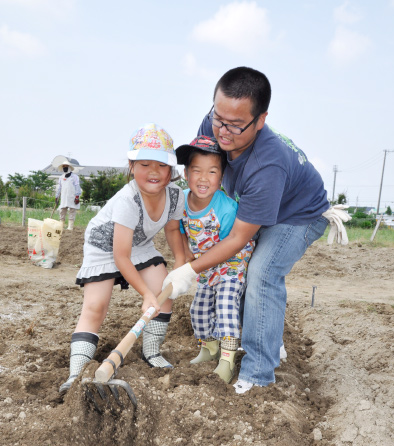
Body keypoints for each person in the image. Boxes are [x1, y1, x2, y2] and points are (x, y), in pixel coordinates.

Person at [163, 67, 340, 394]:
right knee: (233, 267)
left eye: (235, 125)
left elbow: (238, 238)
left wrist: (189, 268)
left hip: (298, 212)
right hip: (251, 202)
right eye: (219, 118)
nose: (223, 132)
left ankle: (259, 374)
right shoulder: (214, 125)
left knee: (261, 272)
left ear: (261, 120)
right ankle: (267, 339)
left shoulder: (266, 165)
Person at [59, 123, 185, 394]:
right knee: (96, 307)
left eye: (162, 166)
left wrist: (181, 264)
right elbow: (120, 256)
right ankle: (76, 373)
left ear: (171, 169)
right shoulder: (128, 200)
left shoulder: (176, 196)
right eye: (144, 164)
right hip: (104, 246)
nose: (154, 172)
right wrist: (145, 294)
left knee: (165, 290)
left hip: (139, 244)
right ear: (131, 165)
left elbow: (173, 230)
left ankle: (151, 352)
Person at [175, 135, 254, 383]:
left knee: (225, 306)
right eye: (196, 170)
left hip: (230, 262)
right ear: (186, 174)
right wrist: (185, 256)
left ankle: (228, 359)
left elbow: (231, 245)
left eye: (212, 171)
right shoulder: (181, 202)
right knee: (198, 310)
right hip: (206, 263)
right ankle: (210, 349)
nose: (203, 178)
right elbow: (177, 230)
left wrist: (198, 263)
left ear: (221, 177)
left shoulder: (227, 209)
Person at [53, 156, 82, 231]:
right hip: (63, 197)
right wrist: (57, 197)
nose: (65, 168)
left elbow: (77, 187)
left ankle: (70, 227)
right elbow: (59, 188)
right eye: (64, 167)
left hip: (72, 197)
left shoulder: (74, 177)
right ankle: (61, 226)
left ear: (69, 167)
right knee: (62, 211)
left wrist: (77, 197)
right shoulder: (61, 177)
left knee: (72, 211)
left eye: (66, 166)